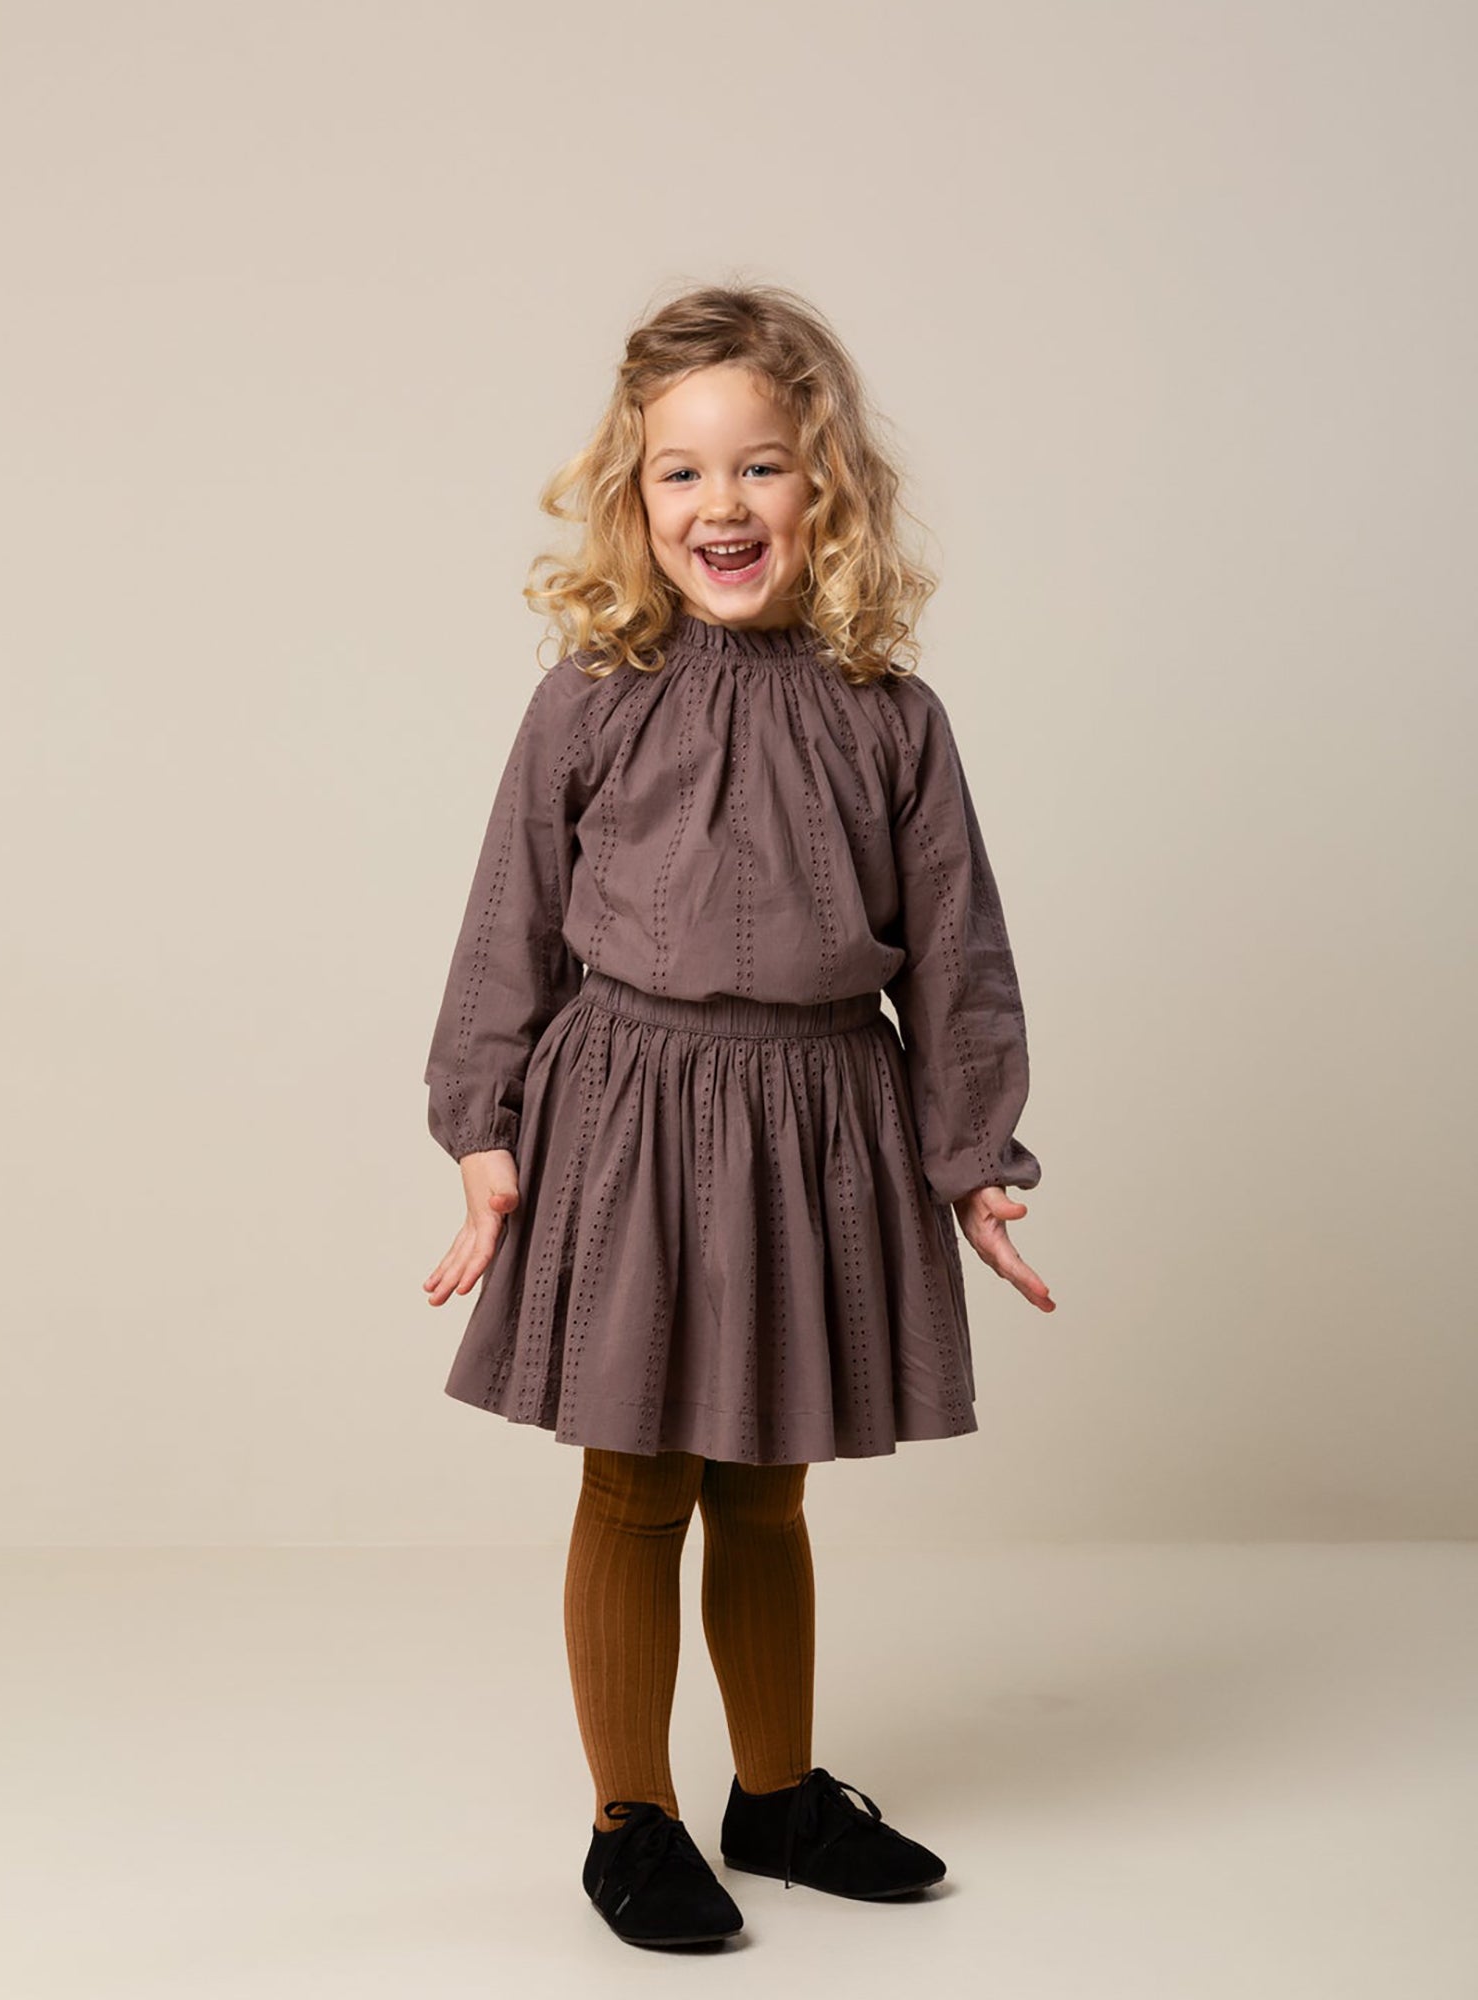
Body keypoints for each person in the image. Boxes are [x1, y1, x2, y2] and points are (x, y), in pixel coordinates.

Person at [420, 281, 1055, 1951]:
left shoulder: (890, 714)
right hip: (629, 1116)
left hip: (819, 1124)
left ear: (824, 486)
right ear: (634, 498)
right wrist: (482, 1132)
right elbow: (507, 924)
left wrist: (975, 1159)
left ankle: (775, 1794)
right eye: (682, 472)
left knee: (766, 1481)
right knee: (639, 1476)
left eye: (761, 466)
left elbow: (960, 956)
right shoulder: (590, 697)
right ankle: (630, 1820)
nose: (723, 504)